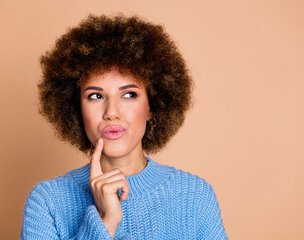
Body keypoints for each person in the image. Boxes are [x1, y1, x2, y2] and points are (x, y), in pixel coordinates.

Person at [21, 14, 228, 239]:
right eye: (95, 96)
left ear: (153, 105)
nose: (112, 112)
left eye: (129, 94)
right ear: (76, 108)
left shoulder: (194, 196)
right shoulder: (47, 201)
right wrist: (105, 223)